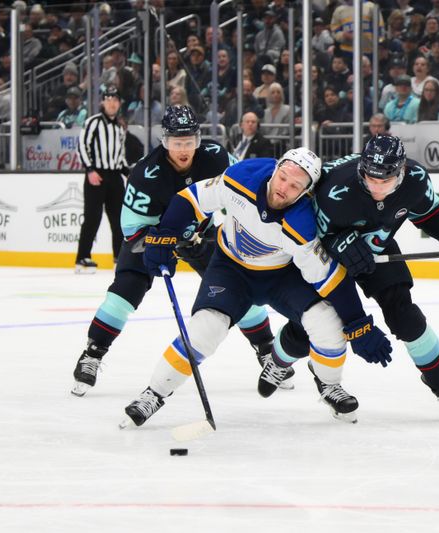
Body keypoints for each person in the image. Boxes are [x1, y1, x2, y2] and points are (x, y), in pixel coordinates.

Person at [120, 148, 392, 426]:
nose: (283, 188)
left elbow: (330, 279)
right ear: (275, 170)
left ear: (305, 192)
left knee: (327, 323)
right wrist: (166, 233)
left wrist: (359, 324)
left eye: (295, 185)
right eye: (283, 177)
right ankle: (153, 393)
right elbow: (192, 199)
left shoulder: (301, 224)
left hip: (281, 276)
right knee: (205, 329)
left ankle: (330, 385)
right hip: (231, 270)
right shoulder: (242, 177)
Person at [71, 105, 279, 397]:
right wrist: (159, 243)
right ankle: (93, 353)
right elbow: (131, 227)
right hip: (154, 236)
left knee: (238, 286)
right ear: (165, 142)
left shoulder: (216, 157)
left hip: (199, 233)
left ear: (198, 139)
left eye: (189, 142)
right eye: (177, 143)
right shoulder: (146, 173)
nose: (184, 149)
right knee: (126, 290)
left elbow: (243, 186)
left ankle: (267, 351)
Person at [296, 135, 439, 419]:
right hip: (327, 257)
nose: (376, 188)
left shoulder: (415, 178)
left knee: (405, 315)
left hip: (377, 245)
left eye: (385, 181)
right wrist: (337, 243)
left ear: (400, 172)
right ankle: (295, 365)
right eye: (370, 179)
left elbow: (432, 215)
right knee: (314, 324)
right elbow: (310, 235)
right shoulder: (335, 188)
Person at [74, 84, 127, 273]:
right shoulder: (93, 122)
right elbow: (82, 146)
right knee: (92, 218)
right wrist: (90, 170)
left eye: (115, 100)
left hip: (114, 177)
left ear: (119, 103)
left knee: (119, 219)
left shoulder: (120, 128)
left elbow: (120, 155)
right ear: (103, 102)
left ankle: (119, 257)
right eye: (108, 99)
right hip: (97, 175)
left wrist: (128, 172)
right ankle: (82, 258)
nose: (112, 103)